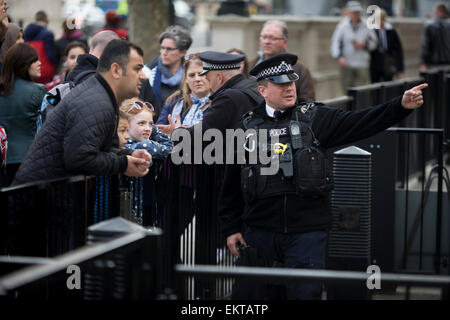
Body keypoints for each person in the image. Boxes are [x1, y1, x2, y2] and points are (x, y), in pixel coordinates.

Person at [218, 53, 428, 300]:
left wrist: (399, 106)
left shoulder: (315, 118)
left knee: (305, 294)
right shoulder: (246, 126)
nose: (289, 89)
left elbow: (361, 122)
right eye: (281, 84)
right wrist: (231, 227)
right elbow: (231, 182)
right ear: (263, 90)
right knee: (250, 298)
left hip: (306, 233)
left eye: (291, 82)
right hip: (259, 232)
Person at [12, 39, 151, 186]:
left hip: (50, 195)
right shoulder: (96, 100)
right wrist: (123, 164)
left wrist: (129, 156)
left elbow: (100, 148)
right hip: (39, 198)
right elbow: (80, 158)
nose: (143, 76)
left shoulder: (101, 94)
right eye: (137, 68)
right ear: (116, 70)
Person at [157, 51, 264, 143]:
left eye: (208, 79)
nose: (209, 86)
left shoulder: (228, 98)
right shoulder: (252, 86)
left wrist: (176, 133)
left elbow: (205, 133)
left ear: (219, 78)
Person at [0, 43, 46, 187]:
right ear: (23, 64)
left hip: (3, 160)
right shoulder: (37, 91)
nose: (39, 63)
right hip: (29, 159)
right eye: (34, 60)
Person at [249, 20, 315, 103]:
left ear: (285, 42)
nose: (267, 42)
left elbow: (308, 102)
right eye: (264, 37)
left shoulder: (300, 70)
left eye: (273, 38)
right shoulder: (250, 65)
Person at [141, 25, 192, 119]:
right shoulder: (147, 72)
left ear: (183, 52)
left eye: (169, 49)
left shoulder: (191, 73)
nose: (164, 53)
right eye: (162, 48)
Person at [331, 1, 378, 91]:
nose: (356, 14)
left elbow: (374, 43)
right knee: (347, 91)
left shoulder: (366, 25)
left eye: (357, 12)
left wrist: (364, 45)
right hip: (347, 64)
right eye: (354, 12)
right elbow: (335, 42)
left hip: (362, 63)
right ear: (349, 13)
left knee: (363, 91)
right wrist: (338, 57)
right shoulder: (342, 25)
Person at [156, 54, 211, 127]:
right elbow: (157, 130)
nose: (197, 79)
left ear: (210, 75)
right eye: (192, 75)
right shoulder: (175, 101)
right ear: (186, 79)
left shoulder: (221, 101)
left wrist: (184, 131)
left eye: (201, 74)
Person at [370, 8, 404, 83]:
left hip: (388, 62)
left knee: (389, 85)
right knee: (375, 85)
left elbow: (398, 50)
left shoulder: (391, 31)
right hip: (375, 63)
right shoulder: (372, 31)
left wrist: (400, 68)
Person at [24, 10, 57, 84]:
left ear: (36, 19)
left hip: (30, 70)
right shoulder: (48, 34)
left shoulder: (26, 33)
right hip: (46, 71)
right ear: (46, 19)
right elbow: (50, 55)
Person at [420, 2, 450, 72]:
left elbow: (425, 46)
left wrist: (423, 63)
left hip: (433, 64)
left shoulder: (429, 25)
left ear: (437, 12)